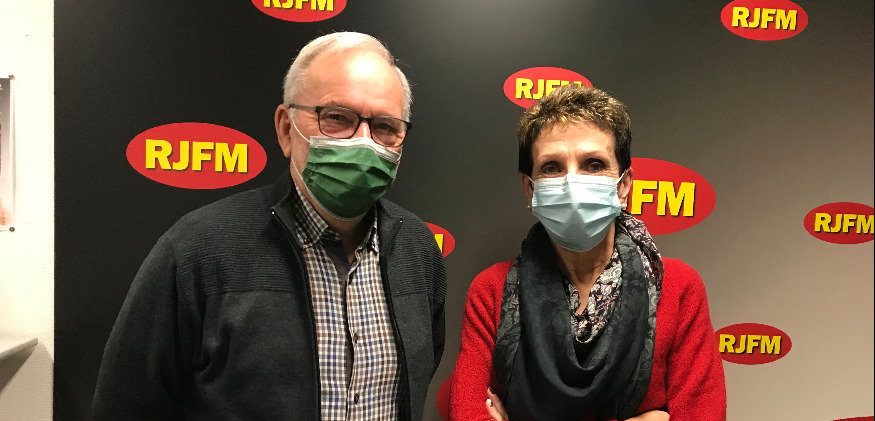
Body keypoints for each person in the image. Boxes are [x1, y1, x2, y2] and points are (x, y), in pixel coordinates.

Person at [93, 32, 446, 420]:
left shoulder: (418, 249)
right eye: (336, 118)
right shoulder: (199, 250)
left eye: (384, 126)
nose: (364, 143)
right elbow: (126, 406)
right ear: (286, 129)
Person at [446, 84, 725, 421]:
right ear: (530, 189)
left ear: (623, 186)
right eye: (552, 167)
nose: (572, 184)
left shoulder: (678, 289)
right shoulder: (491, 292)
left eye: (594, 165)